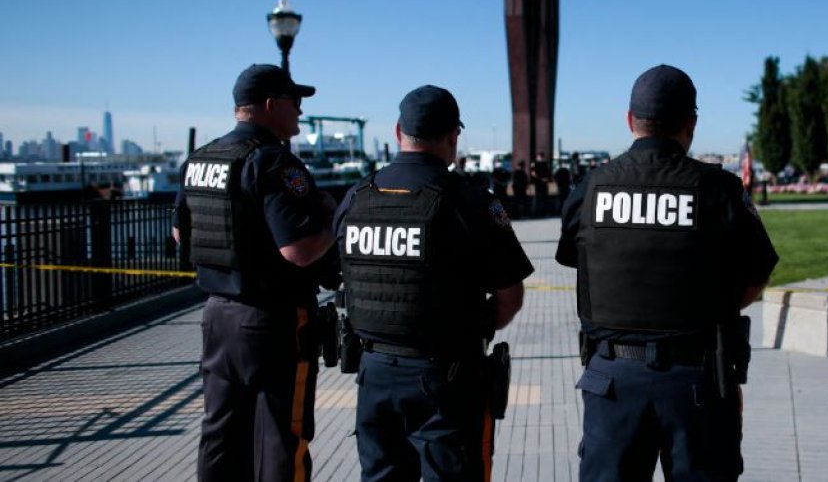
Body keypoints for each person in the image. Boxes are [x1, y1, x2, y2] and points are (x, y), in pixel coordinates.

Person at [556, 64, 779, 482]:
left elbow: (574, 258)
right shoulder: (719, 189)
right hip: (697, 381)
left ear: (629, 120)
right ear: (691, 124)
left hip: (612, 381)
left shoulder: (591, 188)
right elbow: (756, 273)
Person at [334, 85, 534, 482]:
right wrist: (472, 327)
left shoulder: (357, 197)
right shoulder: (469, 200)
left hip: (373, 373)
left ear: (397, 132)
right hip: (446, 375)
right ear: (453, 138)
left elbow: (332, 271)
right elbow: (510, 296)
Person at [173, 64, 337, 482]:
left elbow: (180, 234)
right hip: (272, 321)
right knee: (282, 437)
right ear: (270, 105)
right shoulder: (273, 163)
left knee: (221, 433)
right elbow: (298, 250)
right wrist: (335, 224)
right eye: (295, 103)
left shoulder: (201, 159)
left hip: (217, 317)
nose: (300, 112)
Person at [531, 151, 552, 217]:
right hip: (540, 183)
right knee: (540, 198)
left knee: (542, 198)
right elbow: (533, 174)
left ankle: (542, 213)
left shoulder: (540, 164)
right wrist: (543, 179)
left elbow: (534, 174)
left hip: (541, 183)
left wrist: (545, 179)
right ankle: (540, 213)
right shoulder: (536, 164)